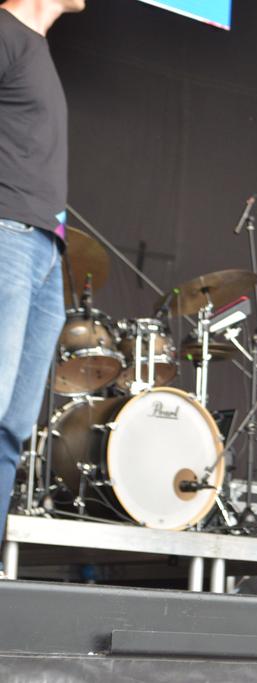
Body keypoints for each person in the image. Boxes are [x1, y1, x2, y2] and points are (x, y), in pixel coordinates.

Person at [0, 0, 85, 577]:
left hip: (46, 251)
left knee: (13, 425)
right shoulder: (4, 31)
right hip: (7, 235)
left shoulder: (37, 46)